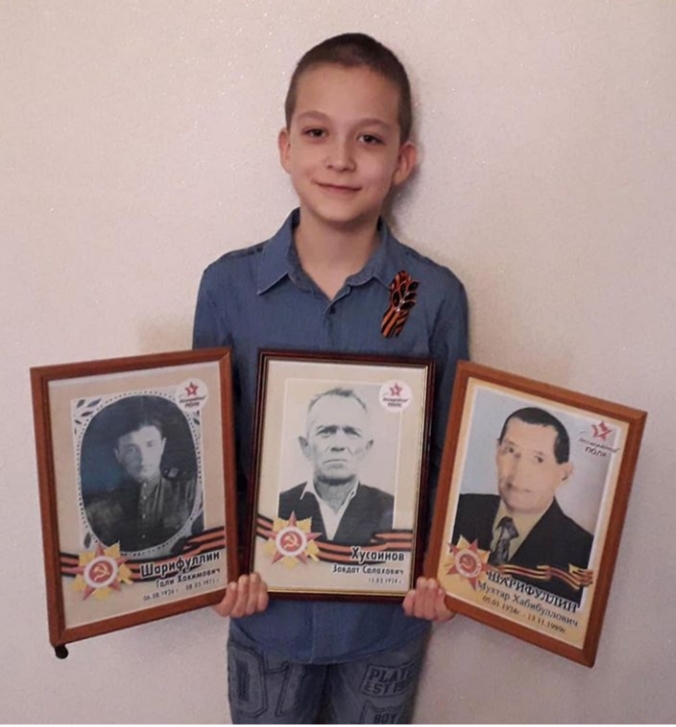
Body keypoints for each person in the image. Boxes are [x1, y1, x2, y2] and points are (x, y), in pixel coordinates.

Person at [193, 32, 468, 723]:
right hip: (268, 619)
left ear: (402, 160)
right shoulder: (227, 287)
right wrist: (213, 566)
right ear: (286, 146)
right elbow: (209, 457)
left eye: (368, 139)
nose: (340, 158)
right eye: (318, 132)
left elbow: (448, 457)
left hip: (384, 624)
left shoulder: (434, 297)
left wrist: (447, 572)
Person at [452, 407, 593, 603]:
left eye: (538, 459)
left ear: (564, 474)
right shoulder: (458, 509)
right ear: (497, 451)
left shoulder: (584, 552)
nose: (519, 471)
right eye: (511, 451)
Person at [279, 387, 393, 544]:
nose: (339, 445)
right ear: (305, 446)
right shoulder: (278, 506)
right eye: (326, 431)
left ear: (366, 448)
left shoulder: (390, 509)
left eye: (352, 432)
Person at [83, 405, 200, 554]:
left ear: (162, 446)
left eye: (150, 445)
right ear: (118, 454)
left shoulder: (190, 492)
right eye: (131, 449)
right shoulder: (96, 511)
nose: (143, 458)